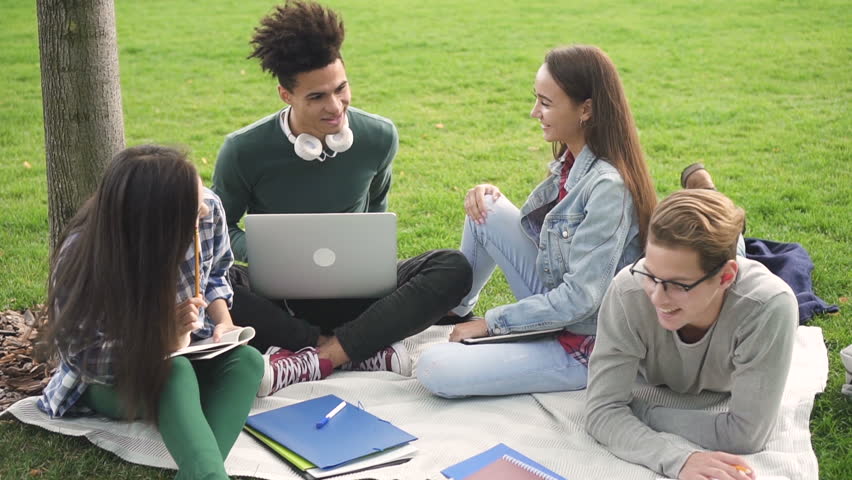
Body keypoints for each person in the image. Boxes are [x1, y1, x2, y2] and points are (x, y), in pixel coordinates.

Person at [212, 0, 472, 396]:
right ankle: (351, 348)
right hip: (282, 300)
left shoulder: (378, 137)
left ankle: (317, 356)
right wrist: (273, 252)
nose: (335, 107)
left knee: (453, 267)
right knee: (209, 285)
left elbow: (377, 209)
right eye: (317, 97)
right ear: (286, 94)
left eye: (341, 88)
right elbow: (219, 232)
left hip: (359, 295)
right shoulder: (243, 150)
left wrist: (364, 258)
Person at [417, 45, 656, 398]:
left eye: (545, 103)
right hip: (556, 306)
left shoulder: (608, 187)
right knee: (485, 205)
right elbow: (547, 249)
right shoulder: (572, 163)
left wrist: (492, 324)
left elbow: (580, 300)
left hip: (583, 344)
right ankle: (455, 311)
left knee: (434, 366)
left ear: (586, 109)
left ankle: (480, 332)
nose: (534, 112)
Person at [38, 145, 264, 480]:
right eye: (193, 209)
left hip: (188, 353)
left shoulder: (207, 209)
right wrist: (164, 341)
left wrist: (224, 322)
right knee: (173, 372)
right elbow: (85, 358)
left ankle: (203, 470)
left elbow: (217, 273)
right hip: (110, 378)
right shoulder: (83, 254)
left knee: (248, 362)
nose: (205, 209)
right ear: (154, 221)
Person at [585, 189, 797, 480]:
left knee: (728, 251)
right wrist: (678, 459)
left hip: (735, 284)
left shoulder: (768, 306)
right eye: (651, 274)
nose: (657, 298)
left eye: (678, 285)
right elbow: (602, 411)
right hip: (716, 274)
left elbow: (746, 435)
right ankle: (705, 190)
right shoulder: (629, 289)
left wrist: (644, 412)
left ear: (725, 277)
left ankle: (708, 192)